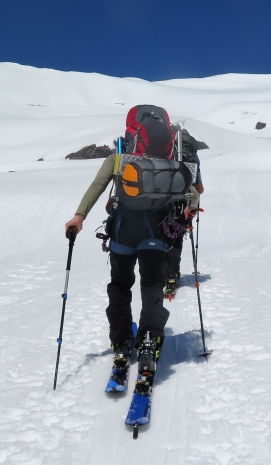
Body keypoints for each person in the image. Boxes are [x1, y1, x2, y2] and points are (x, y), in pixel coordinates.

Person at [64, 109, 199, 377]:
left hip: (123, 230)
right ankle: (149, 341)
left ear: (134, 133)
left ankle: (122, 343)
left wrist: (79, 216)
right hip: (157, 232)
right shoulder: (170, 158)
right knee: (151, 284)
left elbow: (98, 185)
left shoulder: (119, 158)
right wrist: (187, 213)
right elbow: (192, 193)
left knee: (120, 285)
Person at [166, 127, 205, 294]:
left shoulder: (162, 151)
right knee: (176, 239)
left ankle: (157, 273)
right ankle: (172, 275)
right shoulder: (192, 157)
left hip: (160, 200)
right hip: (183, 205)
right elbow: (199, 188)